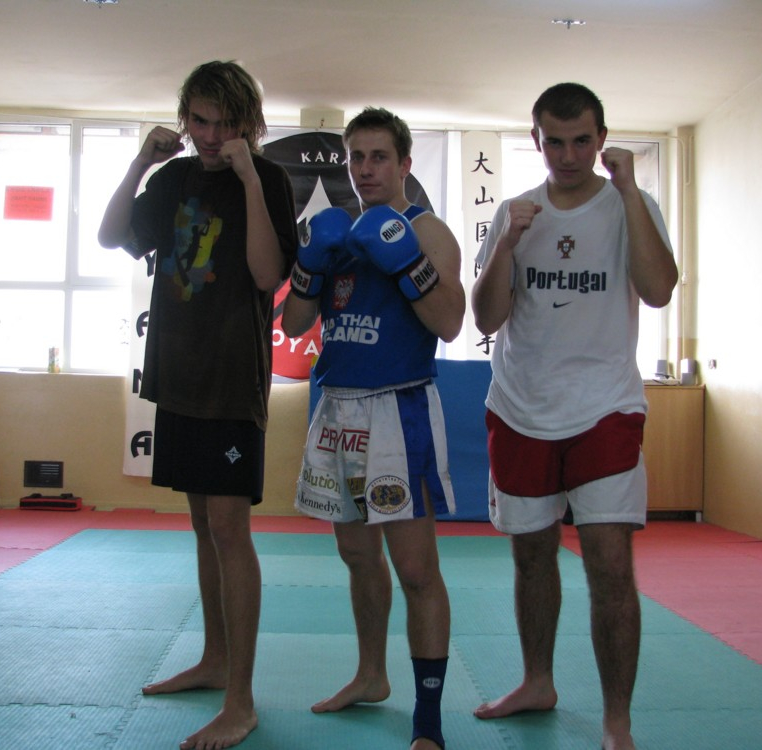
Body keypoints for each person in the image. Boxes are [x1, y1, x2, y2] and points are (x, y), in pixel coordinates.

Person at [470, 83, 678, 750]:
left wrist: (629, 190)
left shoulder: (630, 204)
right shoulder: (515, 211)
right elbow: (486, 318)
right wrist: (506, 246)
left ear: (602, 138)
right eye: (554, 142)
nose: (568, 155)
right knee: (532, 558)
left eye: (581, 140)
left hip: (604, 407)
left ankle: (617, 721)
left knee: (610, 565)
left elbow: (659, 290)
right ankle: (538, 682)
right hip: (521, 406)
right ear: (536, 140)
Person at [97, 60, 298, 750]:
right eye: (200, 122)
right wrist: (139, 163)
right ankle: (214, 659)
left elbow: (268, 275)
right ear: (185, 120)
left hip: (232, 379)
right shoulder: (174, 178)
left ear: (249, 124)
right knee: (201, 526)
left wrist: (248, 179)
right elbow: (111, 235)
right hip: (177, 375)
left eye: (226, 123)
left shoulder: (267, 179)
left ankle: (241, 700)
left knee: (229, 529)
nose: (211, 136)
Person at [282, 107, 465, 750]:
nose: (365, 170)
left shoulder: (428, 230)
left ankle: (429, 718)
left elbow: (450, 322)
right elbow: (295, 323)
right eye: (356, 157)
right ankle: (370, 675)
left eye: (379, 157)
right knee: (357, 556)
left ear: (405, 163)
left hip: (398, 408)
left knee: (415, 568)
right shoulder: (335, 232)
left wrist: (406, 260)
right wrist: (309, 263)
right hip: (338, 408)